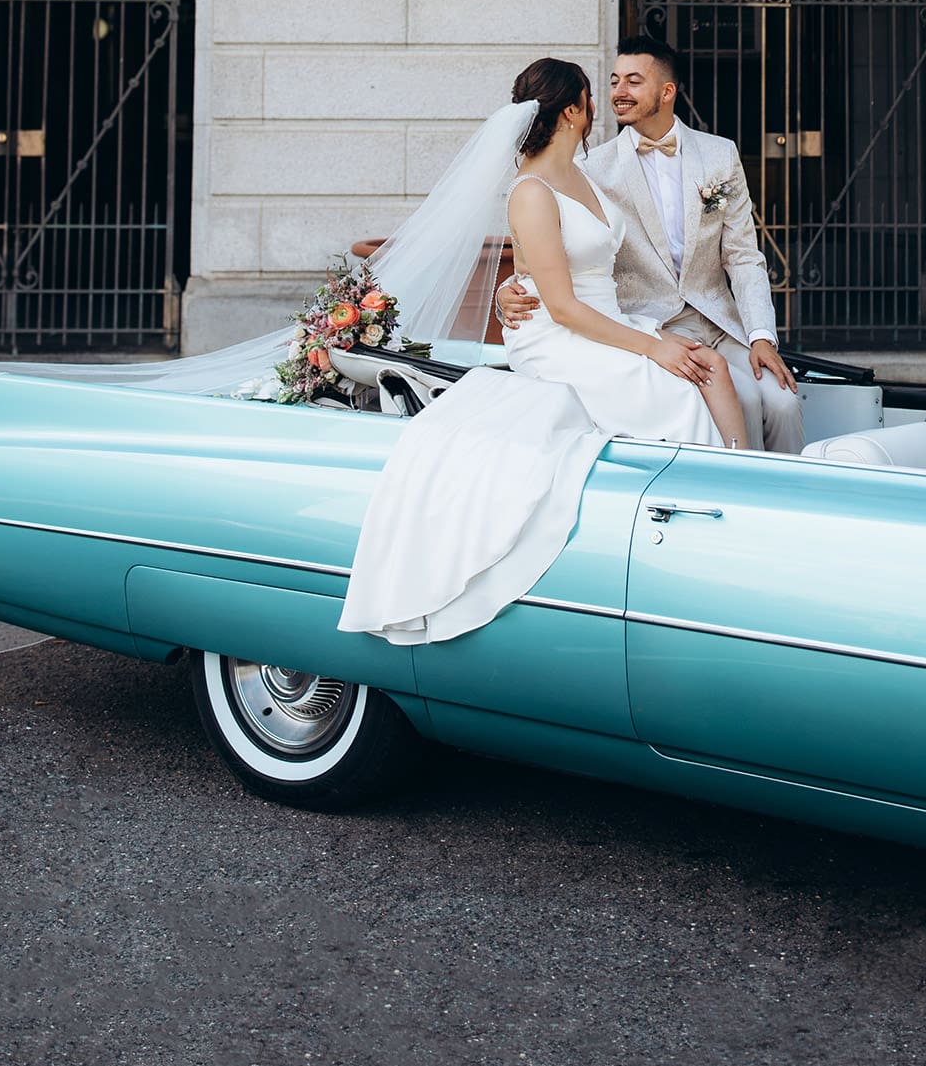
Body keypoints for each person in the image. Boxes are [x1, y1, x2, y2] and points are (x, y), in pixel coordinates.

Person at [338, 59, 741, 646]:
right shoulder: (530, 191)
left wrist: (518, 284)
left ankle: (743, 489)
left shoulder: (587, 175)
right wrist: (653, 348)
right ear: (574, 110)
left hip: (606, 320)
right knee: (678, 387)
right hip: (562, 337)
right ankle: (710, 517)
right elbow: (561, 306)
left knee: (713, 367)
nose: (602, 103)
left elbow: (556, 268)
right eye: (591, 96)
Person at [498, 37, 805, 455]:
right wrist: (506, 293)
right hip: (648, 319)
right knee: (744, 398)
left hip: (719, 319)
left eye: (633, 81)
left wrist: (761, 335)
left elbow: (744, 256)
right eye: (612, 82)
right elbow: (545, 252)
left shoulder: (720, 155)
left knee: (784, 401)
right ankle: (742, 489)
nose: (617, 93)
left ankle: (795, 495)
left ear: (667, 92)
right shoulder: (589, 169)